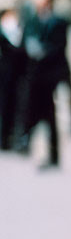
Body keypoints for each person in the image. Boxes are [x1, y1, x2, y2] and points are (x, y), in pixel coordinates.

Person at [18, 0, 68, 168]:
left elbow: (59, 47)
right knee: (33, 111)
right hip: (34, 75)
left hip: (50, 75)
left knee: (50, 115)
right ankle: (29, 143)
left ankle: (53, 154)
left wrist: (42, 51)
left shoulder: (58, 21)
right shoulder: (31, 20)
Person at [0, 9, 25, 151]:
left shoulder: (19, 31)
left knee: (17, 107)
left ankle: (14, 137)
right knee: (5, 108)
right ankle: (4, 139)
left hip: (17, 78)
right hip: (4, 77)